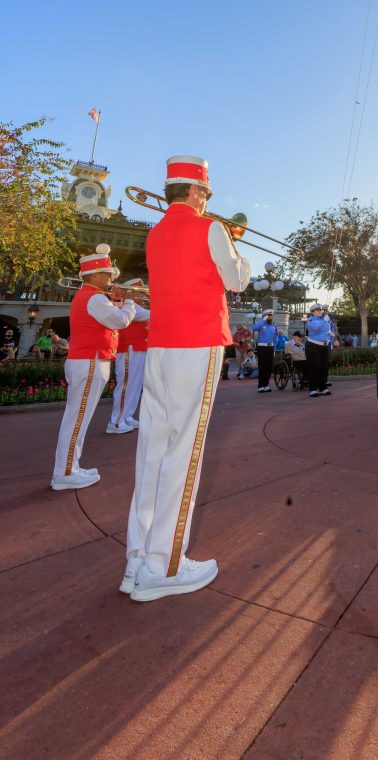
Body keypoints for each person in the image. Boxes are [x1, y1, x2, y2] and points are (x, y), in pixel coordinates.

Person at [124, 155, 251, 602]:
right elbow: (236, 281)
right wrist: (237, 249)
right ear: (196, 191)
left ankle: (138, 557)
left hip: (159, 346)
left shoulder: (155, 233)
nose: (207, 201)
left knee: (153, 449)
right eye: (207, 194)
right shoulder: (210, 229)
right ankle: (165, 565)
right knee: (185, 451)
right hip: (197, 345)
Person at [50, 245, 137, 491]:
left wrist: (120, 301)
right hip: (89, 362)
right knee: (77, 420)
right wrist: (129, 302)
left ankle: (70, 467)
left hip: (87, 361)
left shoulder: (90, 296)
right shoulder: (95, 297)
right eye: (109, 274)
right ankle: (65, 472)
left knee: (76, 418)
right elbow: (120, 321)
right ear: (96, 274)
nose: (111, 279)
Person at [108, 282, 150, 432]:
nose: (143, 295)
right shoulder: (126, 304)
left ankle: (127, 416)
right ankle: (116, 421)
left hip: (138, 347)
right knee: (126, 385)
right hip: (128, 349)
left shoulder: (135, 305)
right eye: (140, 291)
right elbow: (146, 315)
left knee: (135, 385)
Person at [305, 303, 333, 396]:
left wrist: (330, 334)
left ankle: (323, 388)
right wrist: (324, 321)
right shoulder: (311, 320)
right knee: (314, 368)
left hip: (325, 346)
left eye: (321, 310)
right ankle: (313, 389)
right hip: (314, 346)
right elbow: (315, 328)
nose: (321, 311)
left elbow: (326, 330)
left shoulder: (323, 320)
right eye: (318, 310)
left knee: (324, 368)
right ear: (313, 312)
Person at [252, 310, 279, 393]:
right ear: (264, 316)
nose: (270, 317)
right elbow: (254, 327)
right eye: (268, 315)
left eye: (271, 315)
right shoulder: (261, 324)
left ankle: (266, 385)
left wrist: (274, 349)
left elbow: (276, 338)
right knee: (262, 367)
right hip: (262, 348)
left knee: (268, 368)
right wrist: (263, 320)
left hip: (270, 348)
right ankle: (261, 386)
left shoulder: (273, 326)